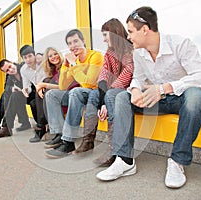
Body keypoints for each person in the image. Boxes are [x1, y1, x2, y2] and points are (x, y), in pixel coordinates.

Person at [96, 7, 201, 189]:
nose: (128, 37)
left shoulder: (181, 44)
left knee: (197, 96)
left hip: (178, 99)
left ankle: (177, 161)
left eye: (130, 32)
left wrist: (165, 88)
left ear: (144, 30)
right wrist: (135, 90)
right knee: (118, 96)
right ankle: (125, 160)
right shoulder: (138, 53)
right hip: (152, 100)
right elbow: (137, 78)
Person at [72, 18, 134, 167]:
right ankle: (88, 140)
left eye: (106, 35)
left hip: (127, 92)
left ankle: (113, 150)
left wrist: (105, 102)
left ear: (114, 33)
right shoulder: (109, 53)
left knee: (112, 96)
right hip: (112, 91)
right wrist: (101, 103)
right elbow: (103, 76)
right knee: (94, 94)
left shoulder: (131, 51)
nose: (104, 40)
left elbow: (124, 80)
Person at [45, 29, 104, 158]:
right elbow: (62, 86)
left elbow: (89, 83)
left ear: (83, 41)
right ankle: (60, 135)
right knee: (52, 95)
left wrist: (72, 64)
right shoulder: (74, 61)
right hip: (81, 94)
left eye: (76, 41)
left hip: (95, 93)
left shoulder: (95, 56)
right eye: (70, 43)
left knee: (75, 91)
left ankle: (68, 141)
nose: (73, 46)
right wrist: (66, 66)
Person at [0, 59, 31, 139]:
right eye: (7, 70)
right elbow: (6, 88)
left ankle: (4, 126)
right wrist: (12, 88)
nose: (10, 70)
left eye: (10, 66)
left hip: (33, 94)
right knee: (7, 94)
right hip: (22, 96)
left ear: (12, 62)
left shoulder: (23, 67)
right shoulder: (9, 76)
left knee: (13, 96)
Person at [29, 47, 64, 142]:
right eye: (50, 56)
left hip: (67, 94)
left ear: (59, 54)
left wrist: (43, 85)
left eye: (55, 54)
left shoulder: (65, 65)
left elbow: (63, 86)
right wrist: (40, 87)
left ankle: (41, 127)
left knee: (45, 82)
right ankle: (41, 126)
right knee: (42, 87)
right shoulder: (52, 70)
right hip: (55, 95)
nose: (53, 57)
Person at [19, 45, 47, 141]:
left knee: (38, 92)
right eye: (25, 57)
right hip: (38, 90)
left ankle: (40, 128)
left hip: (50, 86)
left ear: (34, 55)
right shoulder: (23, 69)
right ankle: (41, 125)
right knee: (32, 102)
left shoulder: (42, 61)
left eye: (30, 56)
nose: (28, 59)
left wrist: (42, 56)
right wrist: (26, 89)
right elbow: (26, 85)